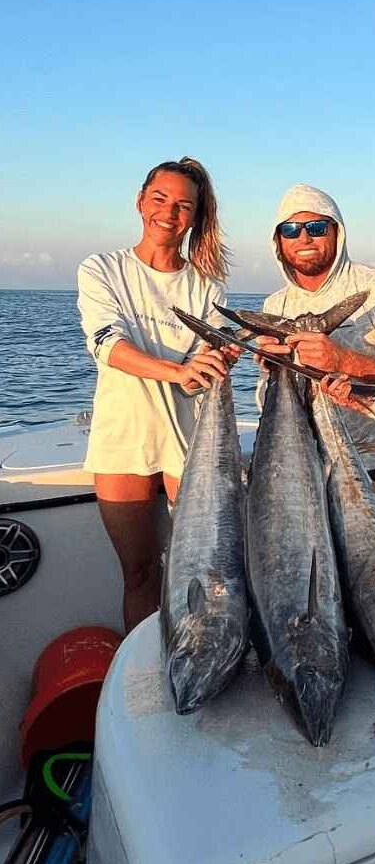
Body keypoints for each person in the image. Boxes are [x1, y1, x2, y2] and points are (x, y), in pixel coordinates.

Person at [78, 156, 238, 632]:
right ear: (140, 201)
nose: (168, 212)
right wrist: (179, 369)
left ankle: (201, 661)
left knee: (203, 577)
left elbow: (205, 362)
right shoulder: (102, 269)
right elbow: (108, 344)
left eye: (183, 205)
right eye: (160, 198)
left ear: (195, 217)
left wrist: (218, 362)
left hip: (186, 444)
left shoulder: (207, 287)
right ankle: (147, 677)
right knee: (140, 573)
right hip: (120, 441)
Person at [253, 184, 375, 541]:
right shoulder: (274, 307)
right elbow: (265, 401)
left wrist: (344, 359)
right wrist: (272, 370)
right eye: (291, 229)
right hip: (299, 472)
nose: (304, 237)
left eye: (317, 227)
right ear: (279, 242)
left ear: (337, 231)